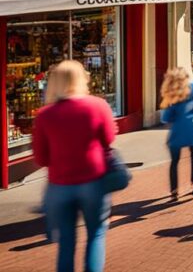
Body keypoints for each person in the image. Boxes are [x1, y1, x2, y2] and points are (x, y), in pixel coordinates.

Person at [33, 60, 115, 272]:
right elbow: (108, 139)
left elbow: (41, 158)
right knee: (96, 234)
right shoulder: (98, 106)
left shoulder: (45, 115)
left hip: (60, 185)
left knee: (66, 242)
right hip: (93, 182)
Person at [160, 67, 193, 201]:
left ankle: (174, 190)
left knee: (174, 162)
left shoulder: (174, 93)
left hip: (177, 132)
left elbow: (166, 118)